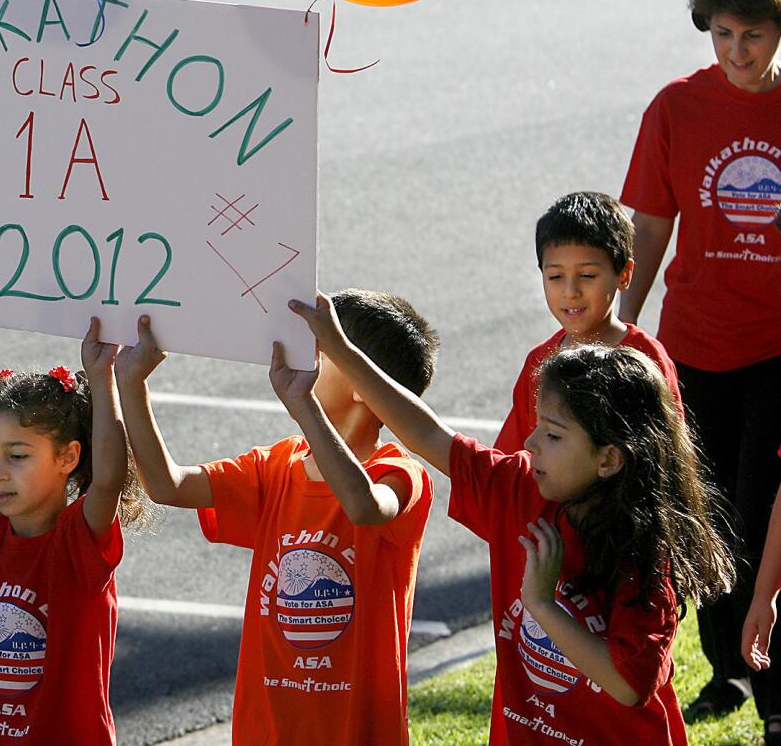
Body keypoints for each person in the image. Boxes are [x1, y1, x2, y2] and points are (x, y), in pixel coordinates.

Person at [291, 292, 736, 745]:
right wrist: (342, 352)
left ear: (609, 459)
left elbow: (629, 684)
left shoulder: (642, 552)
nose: (530, 441)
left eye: (554, 434)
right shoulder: (519, 488)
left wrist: (542, 605)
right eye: (538, 424)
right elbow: (427, 433)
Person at [116, 292, 438, 745]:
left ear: (366, 388)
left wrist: (303, 407)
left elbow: (364, 507)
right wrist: (132, 383)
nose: (299, 356)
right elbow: (168, 485)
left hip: (356, 733)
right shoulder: (276, 466)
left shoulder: (401, 473)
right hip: (265, 730)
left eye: (318, 350)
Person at [619, 0, 781, 725]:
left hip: (776, 351)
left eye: (752, 34)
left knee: (758, 517)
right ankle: (726, 668)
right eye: (722, 34)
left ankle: (769, 675)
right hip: (695, 346)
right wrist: (623, 324)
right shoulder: (676, 108)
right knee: (702, 516)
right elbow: (651, 227)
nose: (737, 51)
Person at [0, 298, 151, 745]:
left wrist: (102, 378)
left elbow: (109, 478)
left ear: (68, 456)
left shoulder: (78, 540)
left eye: (17, 456)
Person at [494, 191, 681, 454]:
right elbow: (513, 460)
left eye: (587, 275)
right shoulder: (539, 362)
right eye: (556, 276)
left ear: (624, 275)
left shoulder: (645, 357)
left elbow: (669, 458)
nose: (571, 291)